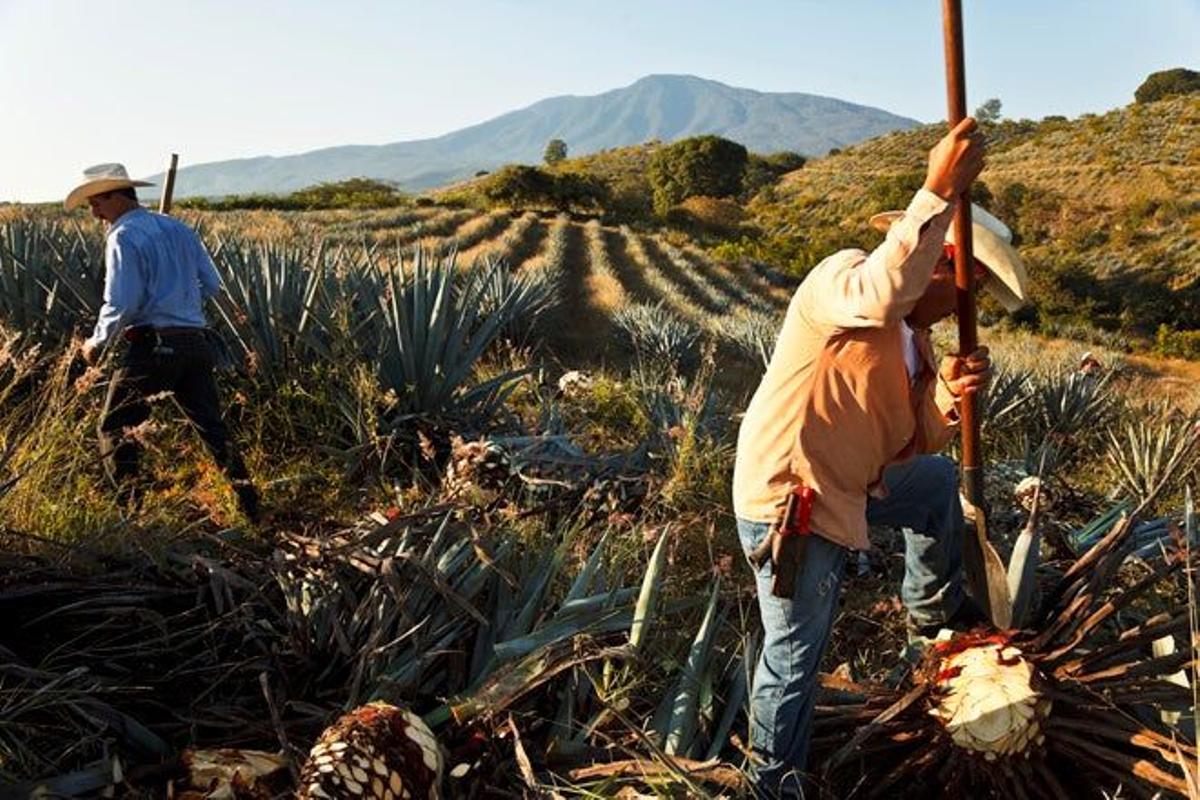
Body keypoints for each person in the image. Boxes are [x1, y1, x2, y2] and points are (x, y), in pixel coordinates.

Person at [731, 118, 1029, 798]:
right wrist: (935, 190)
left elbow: (912, 442)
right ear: (947, 264)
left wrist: (949, 398)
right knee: (794, 656)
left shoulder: (915, 346)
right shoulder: (842, 282)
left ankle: (931, 619)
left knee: (934, 483)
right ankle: (771, 786)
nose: (967, 308)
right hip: (793, 499)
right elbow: (884, 290)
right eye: (969, 291)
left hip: (851, 486)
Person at [66, 163, 261, 521]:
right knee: (213, 430)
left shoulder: (123, 236)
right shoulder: (180, 229)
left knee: (115, 426)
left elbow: (122, 301)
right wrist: (178, 299)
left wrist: (97, 342)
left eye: (96, 203)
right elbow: (213, 286)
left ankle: (131, 516)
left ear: (117, 195)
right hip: (195, 344)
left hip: (152, 347)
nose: (94, 213)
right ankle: (252, 510)